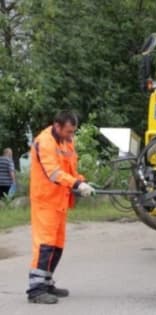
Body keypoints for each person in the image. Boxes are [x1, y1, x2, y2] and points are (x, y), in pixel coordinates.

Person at [26, 110, 95, 304]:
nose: (71, 135)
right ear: (57, 126)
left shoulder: (67, 142)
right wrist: (76, 185)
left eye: (73, 131)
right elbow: (54, 173)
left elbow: (70, 170)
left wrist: (82, 181)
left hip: (60, 201)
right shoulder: (44, 142)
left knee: (57, 246)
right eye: (68, 131)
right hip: (45, 201)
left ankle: (46, 283)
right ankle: (36, 290)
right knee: (45, 245)